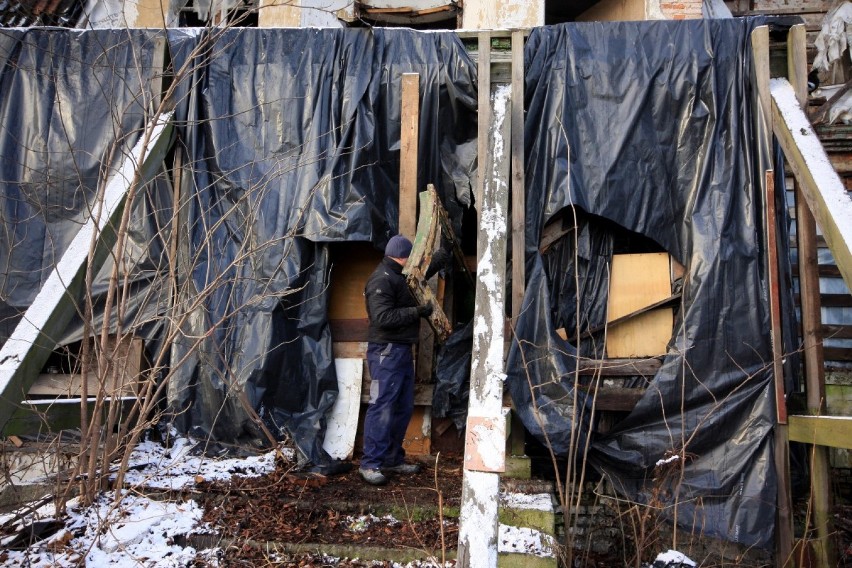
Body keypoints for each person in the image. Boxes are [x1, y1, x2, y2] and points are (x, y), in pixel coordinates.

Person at [359, 235, 433, 485]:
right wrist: (416, 312)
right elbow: (382, 317)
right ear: (403, 256)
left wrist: (435, 264)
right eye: (410, 256)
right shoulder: (381, 279)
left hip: (400, 350)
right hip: (386, 351)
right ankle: (371, 463)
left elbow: (407, 289)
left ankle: (391, 458)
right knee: (382, 406)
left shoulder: (397, 276)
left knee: (402, 406)